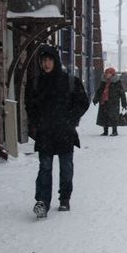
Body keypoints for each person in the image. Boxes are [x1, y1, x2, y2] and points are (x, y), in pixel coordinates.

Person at [25, 45, 89, 218]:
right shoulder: (35, 83)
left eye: (49, 60)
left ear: (55, 61)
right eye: (43, 60)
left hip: (65, 133)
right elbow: (29, 106)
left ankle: (64, 199)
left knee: (66, 168)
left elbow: (83, 102)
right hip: (45, 134)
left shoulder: (70, 81)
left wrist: (71, 120)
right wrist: (37, 122)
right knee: (44, 168)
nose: (46, 64)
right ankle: (43, 202)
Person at [95, 67, 127, 136]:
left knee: (113, 117)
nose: (106, 74)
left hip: (113, 102)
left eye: (108, 73)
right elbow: (99, 91)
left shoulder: (117, 82)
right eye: (105, 73)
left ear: (112, 74)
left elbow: (122, 93)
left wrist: (124, 103)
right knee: (104, 116)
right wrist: (96, 99)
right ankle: (105, 131)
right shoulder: (103, 81)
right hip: (104, 101)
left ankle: (114, 131)